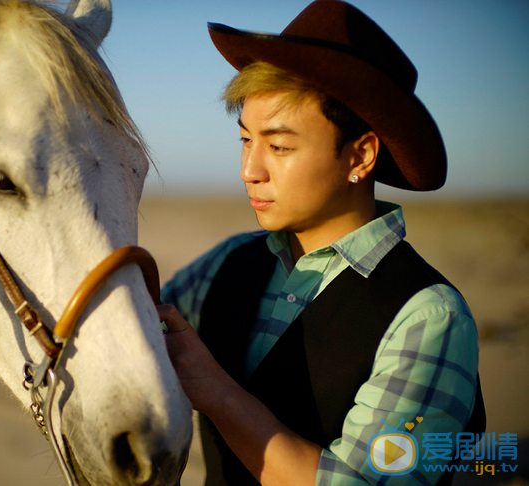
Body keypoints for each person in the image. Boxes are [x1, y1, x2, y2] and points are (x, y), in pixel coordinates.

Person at [156, 1, 485, 485]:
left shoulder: (428, 317)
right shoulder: (228, 263)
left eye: (280, 146)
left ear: (361, 155)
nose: (250, 170)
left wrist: (218, 394)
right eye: (246, 140)